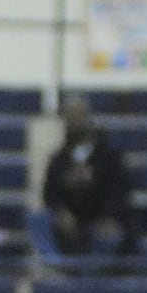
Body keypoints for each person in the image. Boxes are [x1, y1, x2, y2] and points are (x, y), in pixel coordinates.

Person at [42, 95, 137, 256]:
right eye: (69, 115)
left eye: (78, 114)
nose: (74, 120)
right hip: (72, 224)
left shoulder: (109, 156)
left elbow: (120, 191)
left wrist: (110, 216)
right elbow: (50, 194)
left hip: (106, 219)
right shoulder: (58, 160)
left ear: (88, 117)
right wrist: (61, 212)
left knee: (117, 234)